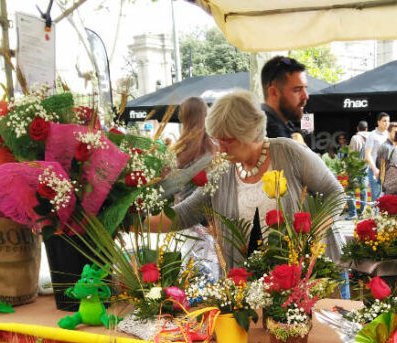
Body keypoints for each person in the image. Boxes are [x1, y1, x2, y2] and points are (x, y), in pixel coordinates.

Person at [144, 90, 345, 269]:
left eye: (228, 140)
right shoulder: (222, 173)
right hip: (254, 285)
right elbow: (184, 214)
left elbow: (335, 194)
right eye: (216, 140)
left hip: (310, 275)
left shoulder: (289, 153)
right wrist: (129, 222)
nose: (220, 149)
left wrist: (314, 233)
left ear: (249, 132)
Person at [169, 96, 218, 202]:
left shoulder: (180, 149)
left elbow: (171, 185)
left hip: (181, 210)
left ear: (184, 118)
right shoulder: (214, 147)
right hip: (208, 209)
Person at [261, 56, 309, 140]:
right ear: (273, 92)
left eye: (305, 88)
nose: (305, 96)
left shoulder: (282, 126)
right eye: (297, 90)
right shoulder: (272, 136)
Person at [364, 112, 390, 207]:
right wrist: (375, 169)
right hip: (375, 170)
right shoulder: (372, 135)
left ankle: (386, 220)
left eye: (388, 121)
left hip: (388, 170)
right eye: (384, 121)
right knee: (377, 198)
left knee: (387, 197)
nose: (386, 123)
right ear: (378, 122)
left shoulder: (389, 135)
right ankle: (375, 220)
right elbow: (368, 154)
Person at [347, 120, 368, 218]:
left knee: (352, 190)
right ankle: (363, 212)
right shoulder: (370, 137)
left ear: (357, 128)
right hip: (366, 167)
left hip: (355, 167)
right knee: (363, 190)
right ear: (366, 129)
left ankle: (353, 213)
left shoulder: (355, 138)